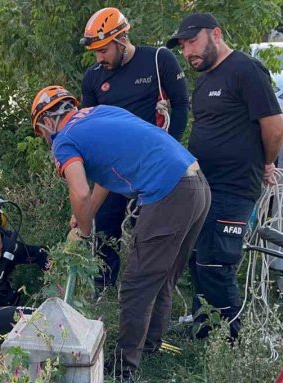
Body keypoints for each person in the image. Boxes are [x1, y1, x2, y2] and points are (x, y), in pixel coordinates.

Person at [30, 85, 210, 383]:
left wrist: (84, 233)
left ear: (47, 121)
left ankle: (124, 369)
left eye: (41, 130)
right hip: (197, 185)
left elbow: (80, 189)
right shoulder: (99, 114)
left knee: (136, 285)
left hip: (167, 192)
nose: (45, 137)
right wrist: (85, 214)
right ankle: (150, 346)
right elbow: (103, 179)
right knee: (162, 276)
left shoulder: (64, 140)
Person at [166, 13, 283, 339]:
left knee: (216, 265)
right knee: (197, 258)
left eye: (193, 41)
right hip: (204, 186)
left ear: (215, 34)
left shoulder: (245, 70)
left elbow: (275, 127)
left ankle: (231, 344)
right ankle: (203, 328)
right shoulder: (205, 78)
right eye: (183, 45)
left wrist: (267, 162)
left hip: (234, 187)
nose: (187, 51)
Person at [79, 7, 190, 287]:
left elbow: (181, 105)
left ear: (121, 39)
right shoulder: (94, 76)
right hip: (112, 172)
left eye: (103, 50)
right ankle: (103, 290)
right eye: (95, 52)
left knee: (149, 233)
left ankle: (145, 289)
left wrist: (170, 147)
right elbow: (87, 126)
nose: (99, 57)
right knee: (106, 229)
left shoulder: (157, 60)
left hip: (152, 169)